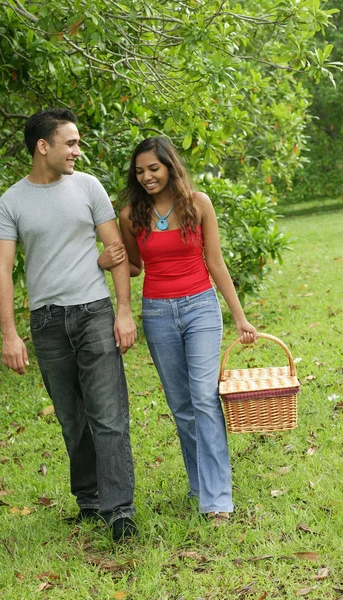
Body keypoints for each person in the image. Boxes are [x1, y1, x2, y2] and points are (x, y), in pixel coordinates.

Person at [0, 107, 137, 541]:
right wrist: (9, 333)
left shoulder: (89, 187)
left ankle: (120, 512)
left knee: (109, 415)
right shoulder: (11, 201)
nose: (77, 150)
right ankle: (90, 502)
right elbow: (1, 270)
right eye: (70, 143)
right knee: (73, 418)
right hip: (48, 322)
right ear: (43, 147)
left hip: (93, 312)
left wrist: (124, 310)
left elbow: (115, 251)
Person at [99, 137, 257, 525]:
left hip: (201, 306)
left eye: (153, 168)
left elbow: (215, 263)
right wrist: (104, 261)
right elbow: (134, 267)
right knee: (182, 408)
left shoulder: (198, 204)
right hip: (157, 313)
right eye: (140, 171)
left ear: (169, 165)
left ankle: (217, 498)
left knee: (204, 399)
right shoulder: (131, 215)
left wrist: (240, 317)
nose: (147, 176)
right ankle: (199, 484)